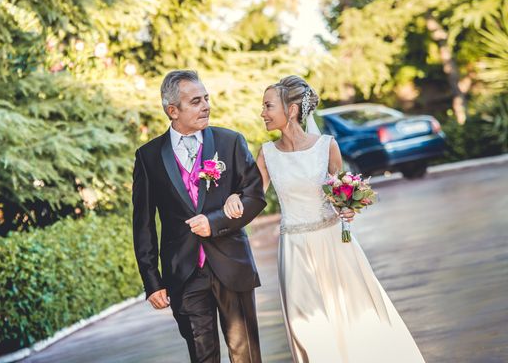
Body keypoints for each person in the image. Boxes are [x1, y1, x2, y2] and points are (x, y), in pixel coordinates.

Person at [223, 75, 425, 362]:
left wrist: (349, 208)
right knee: (307, 328)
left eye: (268, 106)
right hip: (295, 250)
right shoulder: (267, 154)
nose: (262, 113)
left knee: (355, 320)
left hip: (335, 246)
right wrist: (233, 197)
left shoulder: (326, 146)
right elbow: (251, 195)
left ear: (291, 110)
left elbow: (341, 192)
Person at [132, 70, 266, 363]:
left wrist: (216, 222)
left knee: (246, 356)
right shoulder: (149, 156)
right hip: (183, 273)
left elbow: (255, 196)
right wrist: (152, 280)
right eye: (195, 101)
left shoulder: (230, 142)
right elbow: (142, 224)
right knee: (202, 357)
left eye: (206, 98)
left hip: (232, 266)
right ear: (172, 110)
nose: (206, 105)